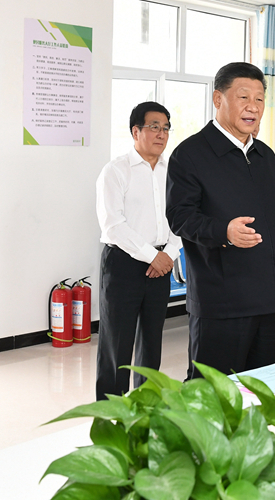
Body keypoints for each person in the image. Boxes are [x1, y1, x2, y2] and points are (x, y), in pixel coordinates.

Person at [166, 62, 275, 379]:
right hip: (222, 303)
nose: (254, 107)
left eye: (260, 99)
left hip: (271, 300)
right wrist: (224, 232)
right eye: (244, 97)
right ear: (218, 99)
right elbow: (180, 217)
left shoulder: (265, 156)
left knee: (258, 388)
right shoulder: (190, 154)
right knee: (212, 393)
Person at [95, 102, 181, 400]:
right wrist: (153, 256)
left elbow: (181, 218)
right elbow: (113, 225)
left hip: (162, 264)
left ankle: (145, 407)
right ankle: (111, 414)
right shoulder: (116, 171)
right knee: (116, 344)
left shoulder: (174, 172)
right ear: (135, 131)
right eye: (154, 127)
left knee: (151, 342)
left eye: (166, 128)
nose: (161, 134)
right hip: (123, 264)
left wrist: (168, 254)